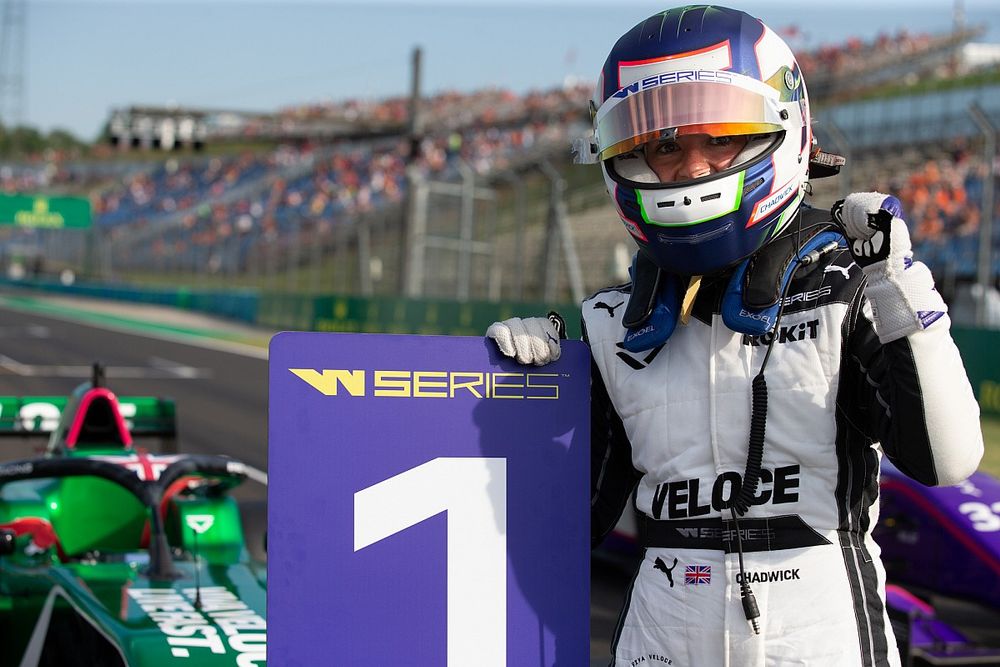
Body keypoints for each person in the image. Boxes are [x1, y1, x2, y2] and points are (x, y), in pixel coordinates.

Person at [486, 6, 984, 666]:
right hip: (658, 642)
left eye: (718, 137)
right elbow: (567, 525)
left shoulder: (849, 287)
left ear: (785, 125)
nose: (691, 169)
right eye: (663, 146)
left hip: (820, 640)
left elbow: (946, 460)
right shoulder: (610, 324)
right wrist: (527, 393)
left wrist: (902, 288)